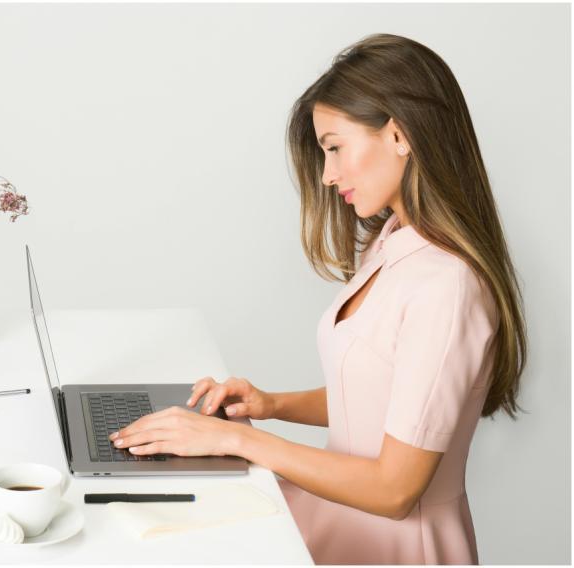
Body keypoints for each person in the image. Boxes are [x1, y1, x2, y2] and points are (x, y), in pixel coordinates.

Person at [107, 33, 527, 565]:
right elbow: (380, 396)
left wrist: (239, 441)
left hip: (398, 546)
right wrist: (269, 405)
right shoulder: (392, 242)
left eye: (334, 147)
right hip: (338, 517)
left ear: (399, 135)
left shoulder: (447, 286)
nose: (328, 175)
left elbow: (395, 491)